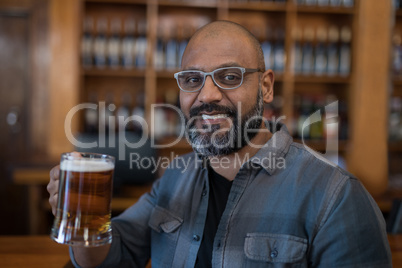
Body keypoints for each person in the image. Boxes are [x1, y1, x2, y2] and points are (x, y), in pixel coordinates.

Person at [47, 21, 392, 267]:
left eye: (230, 77)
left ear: (266, 87)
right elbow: (115, 253)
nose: (207, 95)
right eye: (192, 80)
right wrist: (83, 221)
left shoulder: (337, 198)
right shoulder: (174, 179)